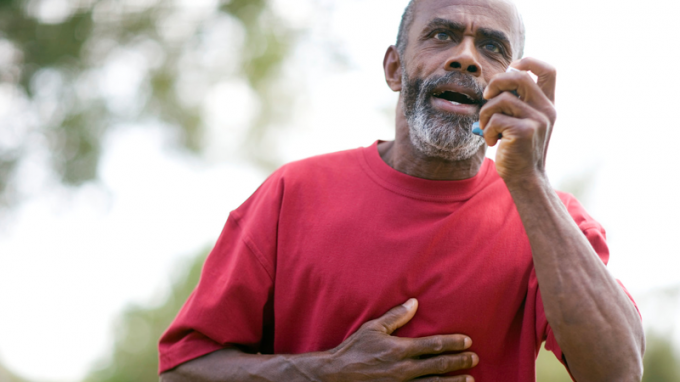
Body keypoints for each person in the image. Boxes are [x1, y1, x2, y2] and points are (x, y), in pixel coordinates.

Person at [158, 0, 645, 380]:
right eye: (442, 35)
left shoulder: (550, 219)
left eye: (493, 48)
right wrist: (326, 373)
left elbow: (619, 372)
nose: (466, 58)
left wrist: (531, 182)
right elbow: (184, 369)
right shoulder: (293, 193)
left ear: (512, 86)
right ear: (394, 68)